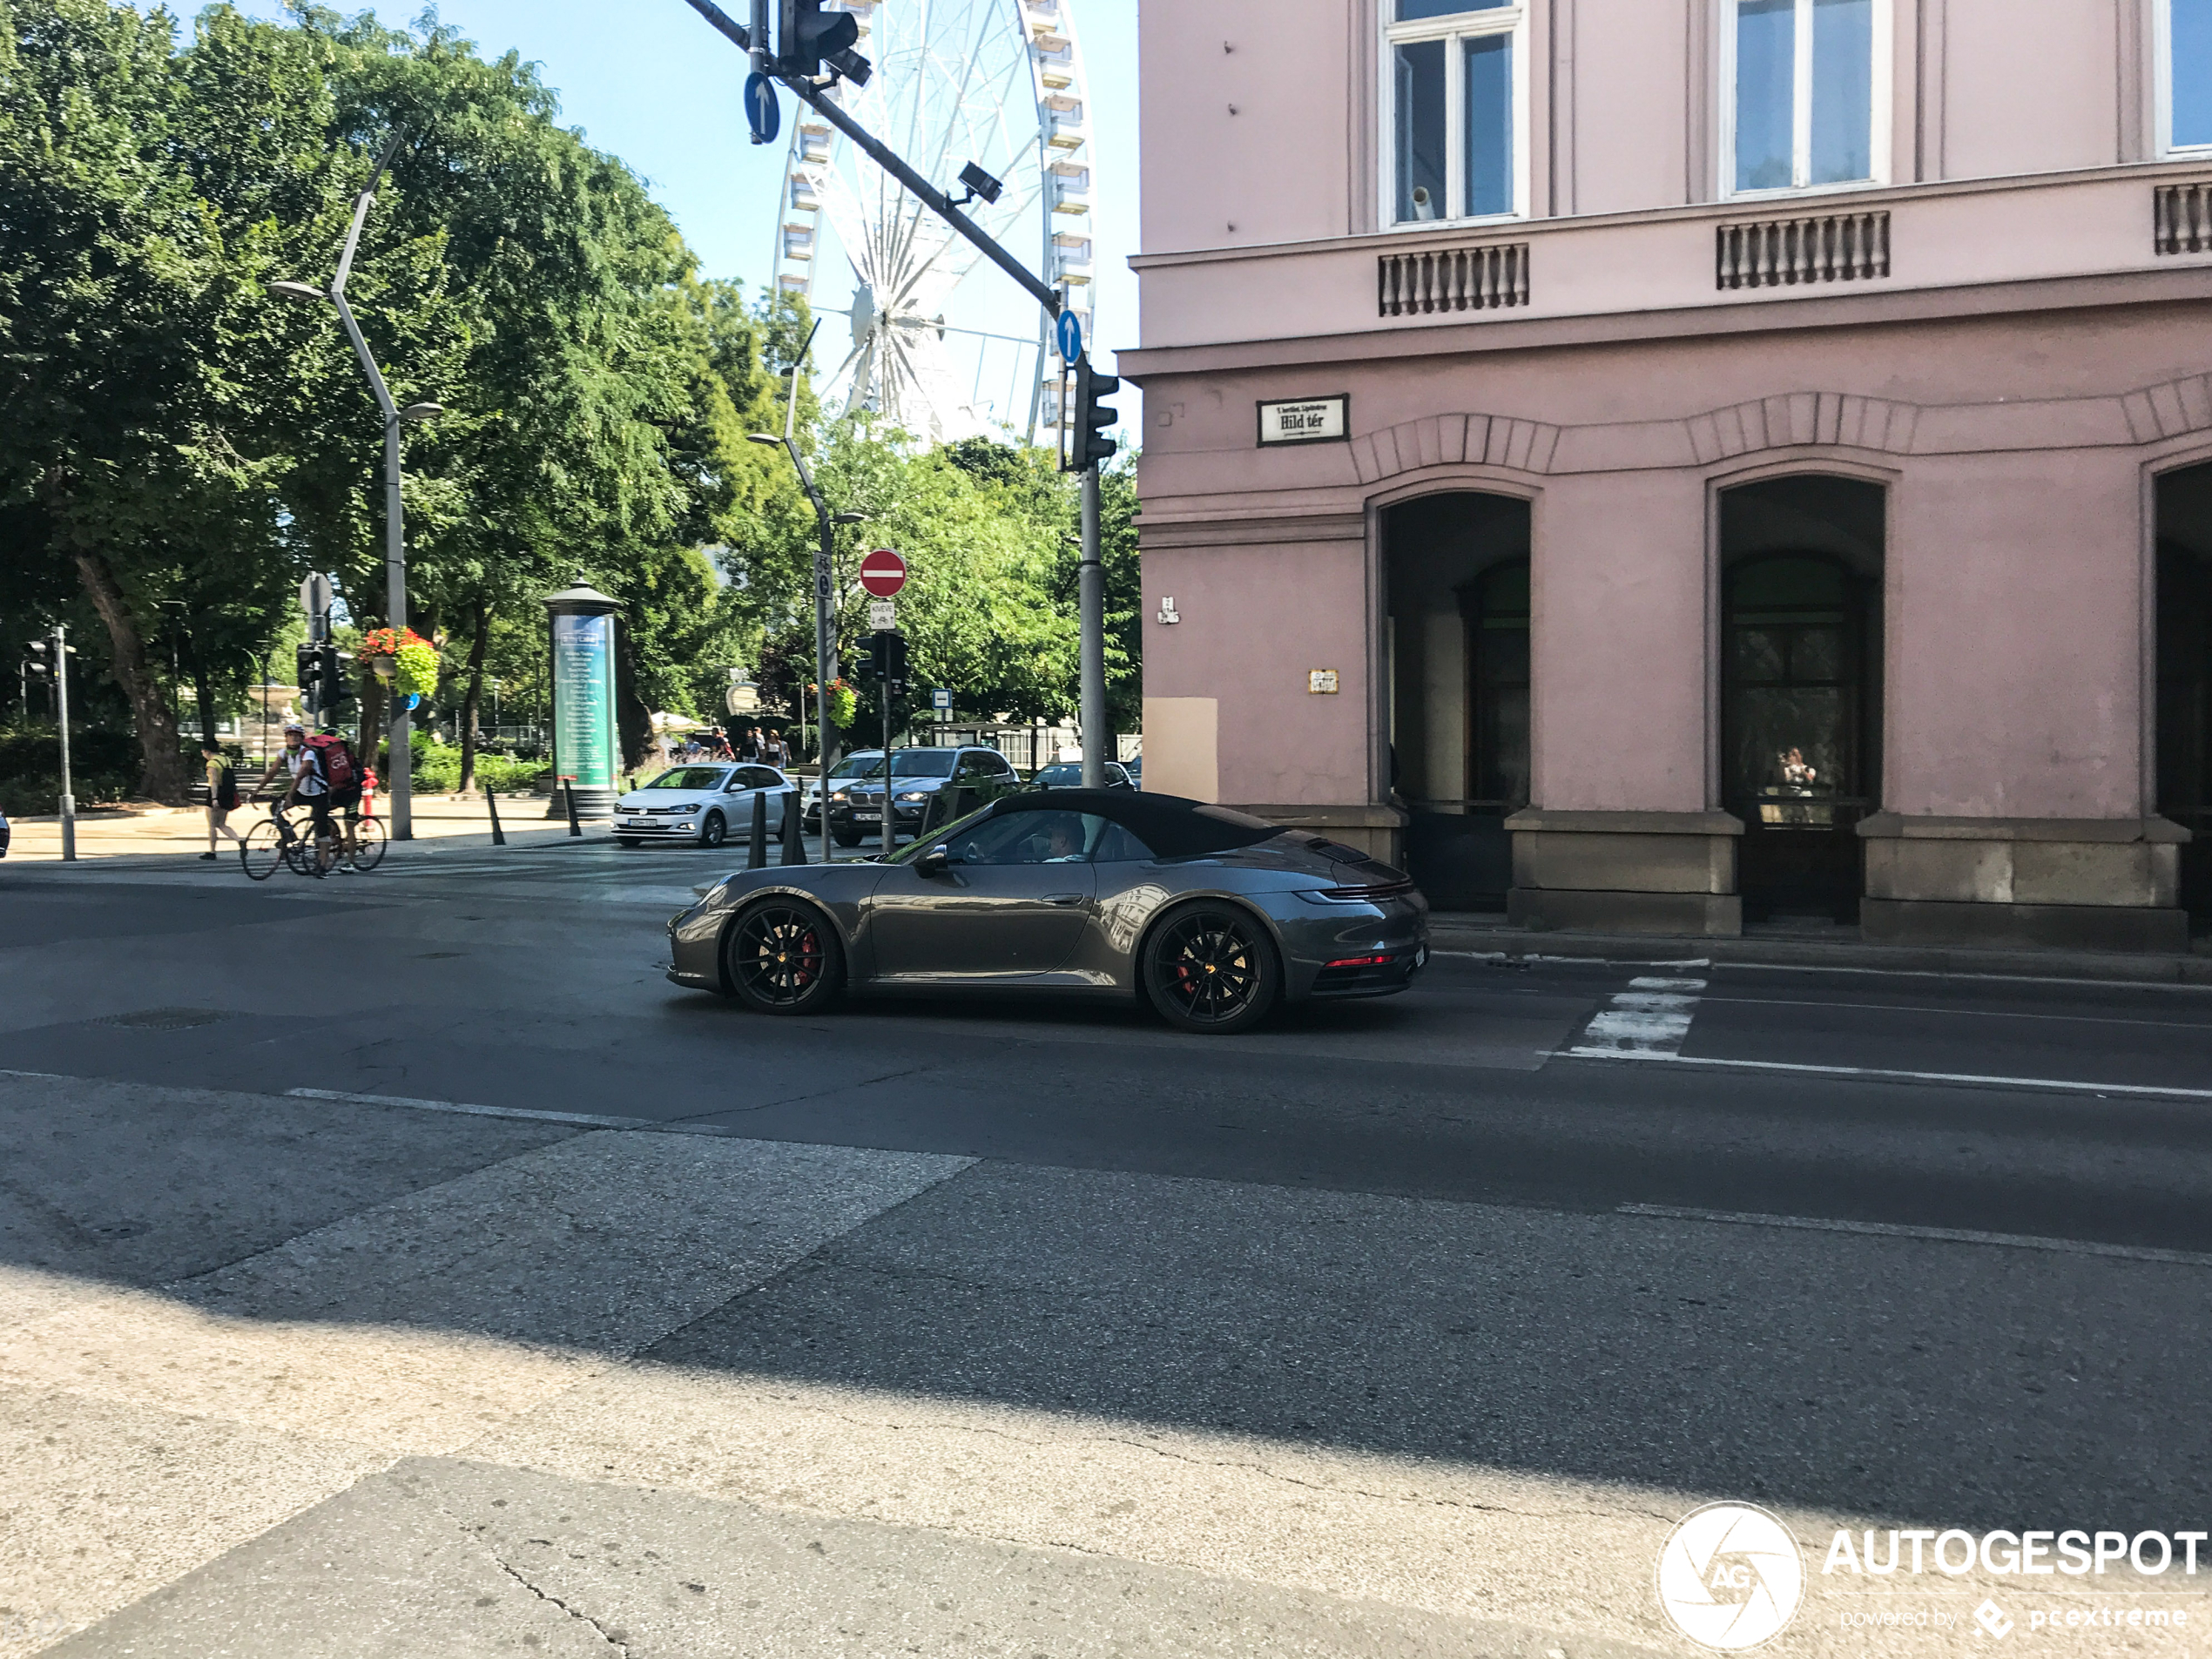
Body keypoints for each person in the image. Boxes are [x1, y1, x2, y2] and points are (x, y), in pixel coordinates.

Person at [249, 724, 337, 874]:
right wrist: (256, 790)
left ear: (302, 738)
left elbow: (300, 775)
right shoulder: (284, 753)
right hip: (301, 792)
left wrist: (290, 796)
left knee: (321, 829)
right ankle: (289, 836)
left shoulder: (308, 753)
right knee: (275, 808)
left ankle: (323, 865)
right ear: (286, 738)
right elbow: (272, 772)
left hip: (318, 793)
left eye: (297, 735)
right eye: (290, 735)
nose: (293, 738)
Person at [200, 741, 243, 860]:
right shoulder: (226, 759)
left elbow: (214, 782)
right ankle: (239, 841)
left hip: (216, 793)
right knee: (222, 824)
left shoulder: (212, 763)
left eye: (203, 751)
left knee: (212, 825)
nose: (202, 754)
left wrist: (214, 799)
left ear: (208, 751)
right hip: (228, 793)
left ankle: (212, 851)